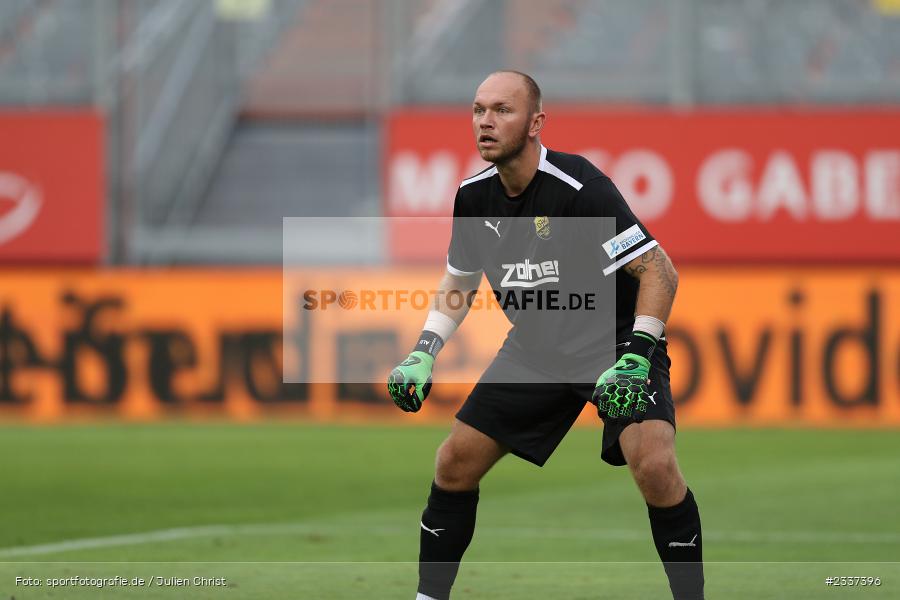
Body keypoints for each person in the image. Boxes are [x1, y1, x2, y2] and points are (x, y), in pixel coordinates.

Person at [387, 71, 704, 600]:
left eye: (502, 110)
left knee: (654, 465)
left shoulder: (580, 189)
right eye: (478, 109)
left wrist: (638, 356)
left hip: (614, 344)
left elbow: (659, 270)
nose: (486, 121)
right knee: (454, 463)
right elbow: (460, 282)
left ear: (535, 123)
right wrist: (424, 350)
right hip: (535, 350)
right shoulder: (473, 197)